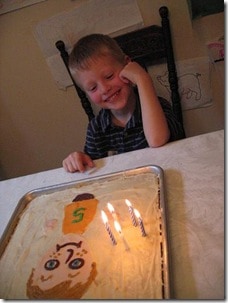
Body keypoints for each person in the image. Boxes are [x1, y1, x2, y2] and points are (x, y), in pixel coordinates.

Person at [62, 33, 184, 173]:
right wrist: (78, 158)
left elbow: (157, 140)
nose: (104, 89)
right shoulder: (96, 128)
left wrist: (142, 78)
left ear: (128, 65)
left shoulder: (158, 107)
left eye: (109, 76)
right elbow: (92, 167)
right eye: (92, 88)